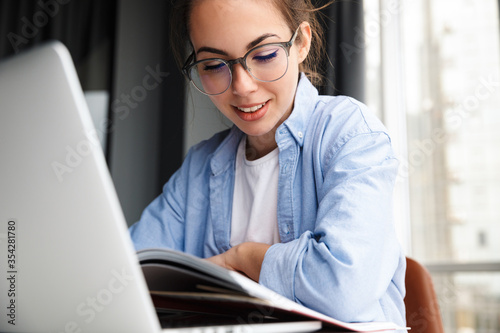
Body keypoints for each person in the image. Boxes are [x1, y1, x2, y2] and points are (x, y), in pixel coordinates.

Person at [130, 0, 406, 326]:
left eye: (264, 55)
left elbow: (343, 288)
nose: (242, 86)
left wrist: (243, 258)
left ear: (301, 43)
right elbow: (128, 279)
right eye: (213, 64)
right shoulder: (199, 169)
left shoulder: (351, 133)